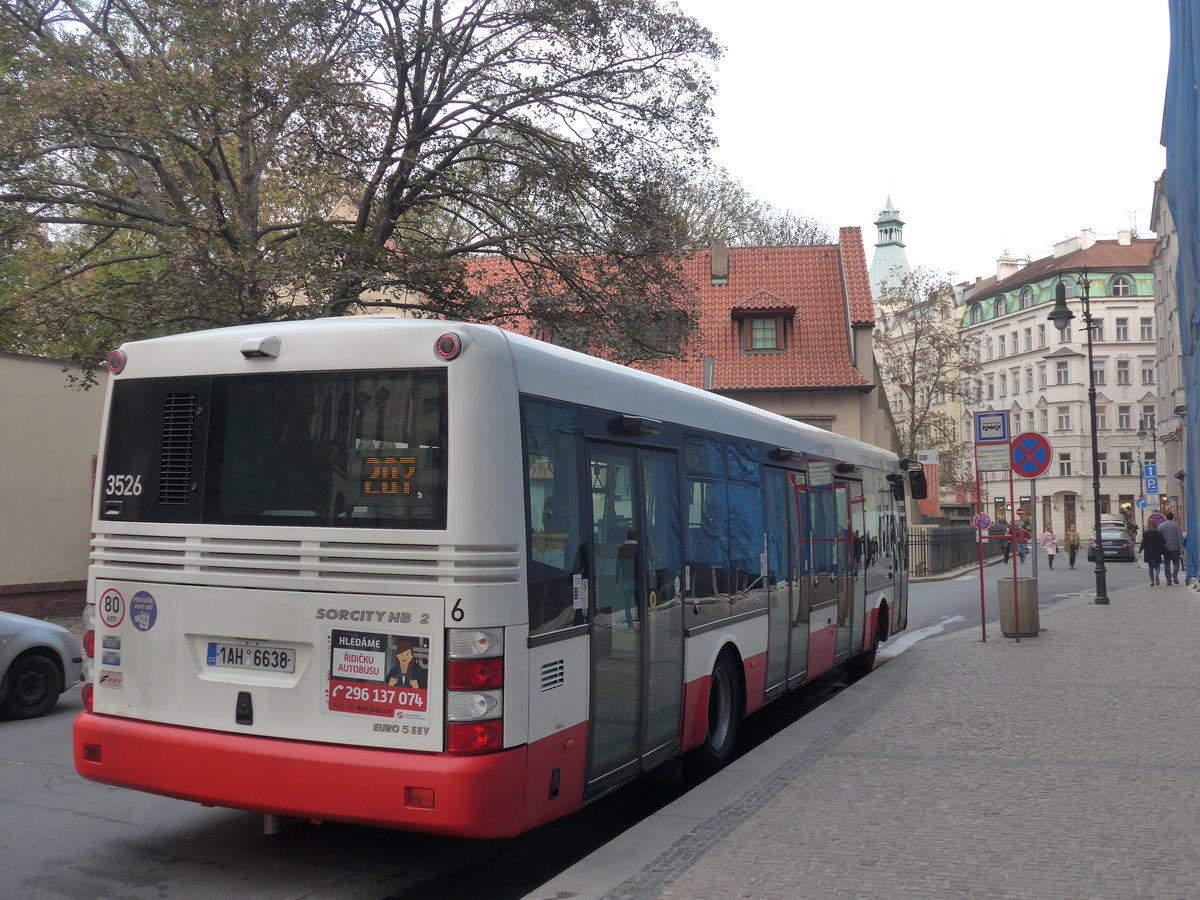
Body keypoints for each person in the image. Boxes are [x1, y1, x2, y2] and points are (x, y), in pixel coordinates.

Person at [1159, 511, 1183, 585]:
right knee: (1176, 563)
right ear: (1173, 518)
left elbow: (1159, 537)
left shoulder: (1161, 526)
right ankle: (1175, 573)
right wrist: (1182, 547)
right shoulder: (1176, 525)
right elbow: (1180, 537)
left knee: (1167, 565)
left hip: (1165, 548)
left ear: (1166, 517)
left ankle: (1169, 581)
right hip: (1175, 547)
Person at [1139, 520, 1166, 586]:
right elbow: (1164, 541)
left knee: (1150, 566)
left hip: (1148, 551)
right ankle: (1157, 575)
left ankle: (1152, 581)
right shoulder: (1158, 533)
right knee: (1157, 565)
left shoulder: (1146, 533)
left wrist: (1140, 550)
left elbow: (1143, 543)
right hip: (1157, 551)